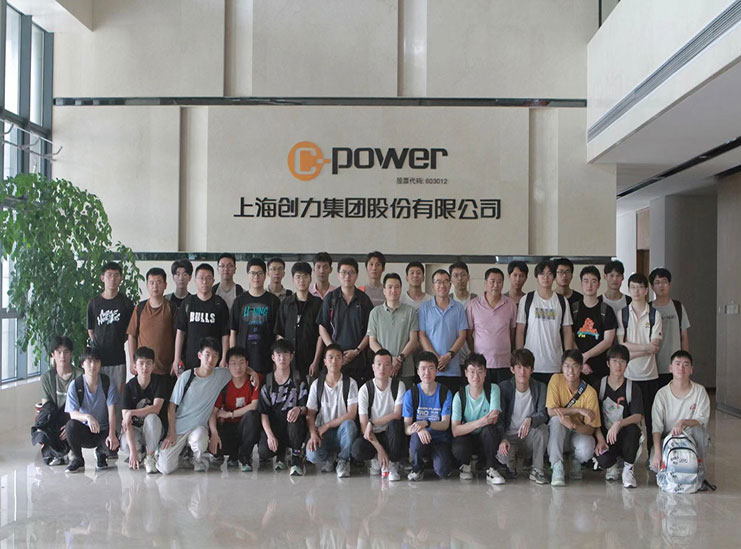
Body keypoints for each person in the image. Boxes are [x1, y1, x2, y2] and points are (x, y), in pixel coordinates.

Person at [158, 337, 231, 474]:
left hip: (198, 429)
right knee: (165, 468)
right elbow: (172, 407)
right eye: (207, 355)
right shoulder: (187, 377)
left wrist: (252, 373)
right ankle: (180, 452)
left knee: (200, 437)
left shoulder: (221, 375)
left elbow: (239, 369)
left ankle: (197, 458)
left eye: (215, 356)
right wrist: (171, 433)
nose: (210, 359)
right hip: (179, 428)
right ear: (199, 355)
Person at [617, 272, 663, 455]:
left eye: (640, 287)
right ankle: (626, 455)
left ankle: (653, 454)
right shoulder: (622, 314)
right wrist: (645, 348)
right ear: (628, 289)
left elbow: (655, 346)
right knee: (627, 419)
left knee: (652, 419)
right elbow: (622, 346)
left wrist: (631, 351)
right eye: (633, 287)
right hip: (628, 376)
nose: (636, 291)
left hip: (650, 375)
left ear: (646, 290)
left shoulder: (654, 315)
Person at [86, 261, 134, 431]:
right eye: (109, 275)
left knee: (117, 397)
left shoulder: (126, 303)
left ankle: (117, 432)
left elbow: (130, 332)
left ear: (121, 279)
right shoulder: (94, 303)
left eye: (116, 276)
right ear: (102, 278)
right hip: (98, 361)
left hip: (118, 360)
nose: (112, 279)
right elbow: (91, 331)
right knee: (99, 396)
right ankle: (101, 431)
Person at [546, 350, 600, 487]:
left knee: (588, 446)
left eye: (575, 366)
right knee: (556, 420)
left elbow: (591, 429)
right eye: (567, 366)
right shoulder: (556, 380)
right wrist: (577, 410)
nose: (570, 371)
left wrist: (573, 426)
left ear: (581, 368)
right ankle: (557, 466)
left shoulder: (590, 392)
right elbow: (551, 411)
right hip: (559, 433)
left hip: (577, 432)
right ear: (562, 367)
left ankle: (575, 461)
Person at [651, 351, 710, 474]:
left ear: (691, 369)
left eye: (685, 364)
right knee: (655, 465)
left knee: (700, 432)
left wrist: (683, 422)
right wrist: (657, 452)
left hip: (691, 439)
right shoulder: (662, 394)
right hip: (668, 439)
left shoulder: (699, 391)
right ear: (670, 368)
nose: (681, 368)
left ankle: (699, 472)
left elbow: (701, 420)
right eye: (677, 364)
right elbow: (657, 428)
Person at [317, 257, 374, 385]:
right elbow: (322, 328)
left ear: (356, 275)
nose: (347, 276)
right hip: (334, 361)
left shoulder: (364, 300)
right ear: (338, 275)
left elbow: (370, 330)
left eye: (351, 272)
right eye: (343, 272)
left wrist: (357, 351)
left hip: (358, 360)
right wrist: (334, 351)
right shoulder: (330, 298)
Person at [516, 260, 574, 385]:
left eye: (549, 274)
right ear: (536, 277)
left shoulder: (562, 301)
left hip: (555, 363)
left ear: (554, 277)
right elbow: (520, 331)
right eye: (542, 274)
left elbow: (567, 331)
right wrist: (519, 359)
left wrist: (568, 359)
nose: (545, 277)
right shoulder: (527, 300)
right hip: (530, 364)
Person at [351, 349, 406, 481]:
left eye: (387, 364)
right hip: (373, 435)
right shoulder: (365, 390)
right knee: (357, 449)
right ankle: (377, 458)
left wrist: (373, 422)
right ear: (373, 367)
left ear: (392, 368)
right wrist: (379, 449)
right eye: (379, 364)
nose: (382, 368)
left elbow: (397, 414)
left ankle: (392, 463)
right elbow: (364, 426)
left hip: (390, 434)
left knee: (395, 425)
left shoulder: (398, 386)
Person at [497, 348, 550, 485]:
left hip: (528, 436)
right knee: (505, 461)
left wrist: (530, 420)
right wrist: (502, 438)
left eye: (526, 367)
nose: (522, 372)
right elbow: (499, 419)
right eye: (519, 367)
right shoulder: (504, 388)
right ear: (512, 369)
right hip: (509, 437)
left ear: (532, 370)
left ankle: (537, 469)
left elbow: (543, 414)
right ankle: (512, 465)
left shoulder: (540, 387)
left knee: (542, 429)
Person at [451, 354, 505, 485]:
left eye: (480, 371)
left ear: (485, 372)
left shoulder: (493, 389)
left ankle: (491, 468)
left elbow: (493, 419)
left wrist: (467, 425)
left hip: (485, 438)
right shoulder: (459, 396)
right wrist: (480, 422)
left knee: (490, 431)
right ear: (465, 373)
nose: (476, 376)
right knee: (458, 446)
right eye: (472, 372)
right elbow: (455, 430)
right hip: (467, 438)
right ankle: (465, 465)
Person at [593, 344, 643, 489]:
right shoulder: (599, 386)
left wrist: (619, 423)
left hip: (624, 434)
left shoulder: (632, 387)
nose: (618, 365)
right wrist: (600, 438)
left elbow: (637, 416)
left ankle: (628, 469)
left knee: (633, 430)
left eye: (622, 361)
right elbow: (593, 417)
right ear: (608, 363)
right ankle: (612, 465)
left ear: (627, 364)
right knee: (603, 459)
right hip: (605, 436)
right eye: (614, 361)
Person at [306, 344, 359, 478]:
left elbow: (351, 414)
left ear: (342, 361)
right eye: (330, 357)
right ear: (324, 361)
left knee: (350, 425)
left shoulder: (350, 383)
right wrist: (313, 433)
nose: (334, 361)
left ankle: (343, 460)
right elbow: (310, 413)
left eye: (338, 357)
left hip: (342, 431)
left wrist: (328, 425)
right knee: (312, 455)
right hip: (322, 433)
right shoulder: (316, 384)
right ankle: (329, 457)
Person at [64, 347, 120, 473]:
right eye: (89, 361)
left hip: (103, 430)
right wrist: (87, 417)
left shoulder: (107, 383)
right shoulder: (76, 385)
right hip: (85, 430)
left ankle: (101, 453)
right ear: (82, 364)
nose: (93, 365)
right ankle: (78, 459)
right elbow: (73, 414)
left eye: (96, 361)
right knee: (70, 426)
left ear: (100, 364)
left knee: (113, 447)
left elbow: (112, 412)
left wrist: (112, 434)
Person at [258, 340, 309, 476]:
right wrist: (269, 435)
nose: (282, 358)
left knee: (294, 419)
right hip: (275, 427)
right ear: (273, 357)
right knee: (264, 451)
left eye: (286, 354)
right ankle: (280, 453)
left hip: (294, 426)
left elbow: (306, 407)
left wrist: (299, 409)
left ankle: (296, 457)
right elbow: (263, 413)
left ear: (291, 357)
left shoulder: (298, 378)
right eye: (278, 355)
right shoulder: (268, 381)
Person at [403, 352, 454, 481]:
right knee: (416, 438)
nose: (427, 372)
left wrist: (426, 423)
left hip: (440, 439)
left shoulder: (445, 392)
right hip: (420, 438)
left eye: (431, 368)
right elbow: (407, 429)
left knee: (443, 472)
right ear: (417, 371)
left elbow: (445, 424)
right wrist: (419, 429)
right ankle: (417, 468)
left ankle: (435, 461)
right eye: (423, 369)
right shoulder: (411, 394)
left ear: (436, 370)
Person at [34, 336, 83, 466]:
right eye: (59, 352)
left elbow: (83, 406)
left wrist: (69, 426)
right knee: (45, 414)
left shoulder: (80, 376)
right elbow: (47, 407)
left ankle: (68, 451)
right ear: (53, 354)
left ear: (71, 354)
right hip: (55, 417)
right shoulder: (47, 378)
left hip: (73, 417)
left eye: (66, 352)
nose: (62, 356)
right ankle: (53, 451)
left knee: (71, 422)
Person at [211, 346, 261, 471]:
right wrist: (214, 433)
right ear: (227, 366)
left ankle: (244, 457)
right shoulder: (223, 384)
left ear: (247, 364)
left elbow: (254, 406)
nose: (238, 367)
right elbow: (213, 412)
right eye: (233, 363)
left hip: (247, 427)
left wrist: (230, 414)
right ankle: (233, 455)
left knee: (252, 415)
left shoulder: (254, 380)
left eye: (241, 363)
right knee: (215, 448)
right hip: (229, 428)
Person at [173, 263, 230, 373]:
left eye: (208, 278)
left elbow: (225, 334)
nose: (204, 282)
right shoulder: (188, 303)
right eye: (201, 278)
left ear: (213, 281)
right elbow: (180, 332)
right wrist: (177, 358)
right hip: (190, 360)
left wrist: (224, 358)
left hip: (213, 361)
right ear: (195, 280)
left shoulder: (219, 304)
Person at [418, 269, 468, 393]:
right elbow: (422, 336)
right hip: (430, 370)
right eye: (438, 282)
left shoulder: (458, 308)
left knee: (451, 402)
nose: (442, 285)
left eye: (446, 281)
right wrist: (435, 359)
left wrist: (449, 356)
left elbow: (462, 336)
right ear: (432, 285)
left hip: (453, 369)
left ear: (450, 285)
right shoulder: (424, 308)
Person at [466, 267, 518, 384]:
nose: (495, 285)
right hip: (481, 364)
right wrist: (475, 352)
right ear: (485, 283)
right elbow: (469, 335)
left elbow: (512, 332)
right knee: (483, 393)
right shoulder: (473, 305)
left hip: (504, 362)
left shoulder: (510, 304)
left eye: (499, 282)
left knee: (503, 393)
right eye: (492, 281)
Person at [121, 346, 168, 474]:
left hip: (155, 428)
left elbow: (156, 408)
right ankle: (139, 453)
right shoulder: (128, 387)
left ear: (153, 366)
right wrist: (132, 451)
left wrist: (132, 412)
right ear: (135, 367)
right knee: (125, 443)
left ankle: (150, 456)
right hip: (136, 429)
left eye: (148, 363)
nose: (144, 367)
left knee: (152, 418)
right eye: (141, 363)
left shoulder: (159, 382)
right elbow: (126, 421)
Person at [367, 273, 419, 389]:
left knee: (405, 399)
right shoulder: (375, 313)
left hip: (405, 368)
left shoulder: (410, 311)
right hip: (382, 369)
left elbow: (413, 340)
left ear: (401, 289)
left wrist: (399, 359)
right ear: (384, 290)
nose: (393, 290)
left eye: (397, 287)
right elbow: (372, 342)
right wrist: (389, 360)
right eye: (390, 287)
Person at [230, 257, 281, 376]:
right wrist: (233, 358)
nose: (256, 277)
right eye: (253, 273)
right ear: (248, 275)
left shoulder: (274, 301)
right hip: (243, 361)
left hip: (266, 359)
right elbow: (233, 332)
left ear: (265, 275)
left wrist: (277, 359)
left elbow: (278, 333)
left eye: (259, 273)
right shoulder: (239, 301)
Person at [274, 261, 323, 379]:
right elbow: (280, 334)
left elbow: (321, 336)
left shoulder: (318, 304)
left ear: (310, 278)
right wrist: (280, 362)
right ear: (293, 280)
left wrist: (316, 361)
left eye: (305, 276)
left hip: (310, 361)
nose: (302, 280)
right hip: (289, 363)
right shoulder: (286, 303)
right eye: (298, 277)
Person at [127, 267, 177, 379]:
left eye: (159, 282)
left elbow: (178, 336)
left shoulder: (172, 308)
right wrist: (132, 361)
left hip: (166, 370)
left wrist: (176, 360)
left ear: (165, 285)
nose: (155, 286)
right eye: (152, 283)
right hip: (143, 370)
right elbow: (132, 335)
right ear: (147, 285)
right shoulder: (140, 308)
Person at [571, 266, 618, 386]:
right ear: (581, 284)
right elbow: (569, 337)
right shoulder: (574, 309)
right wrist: (580, 361)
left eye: (593, 281)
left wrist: (585, 356)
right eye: (586, 281)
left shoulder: (606, 310)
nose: (589, 285)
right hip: (576, 369)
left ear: (599, 284)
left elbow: (608, 341)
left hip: (601, 369)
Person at [649, 267, 691, 388]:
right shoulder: (648, 309)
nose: (661, 286)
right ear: (652, 287)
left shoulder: (678, 307)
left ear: (669, 285)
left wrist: (686, 362)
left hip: (675, 366)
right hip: (653, 365)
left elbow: (684, 337)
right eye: (657, 282)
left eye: (664, 282)